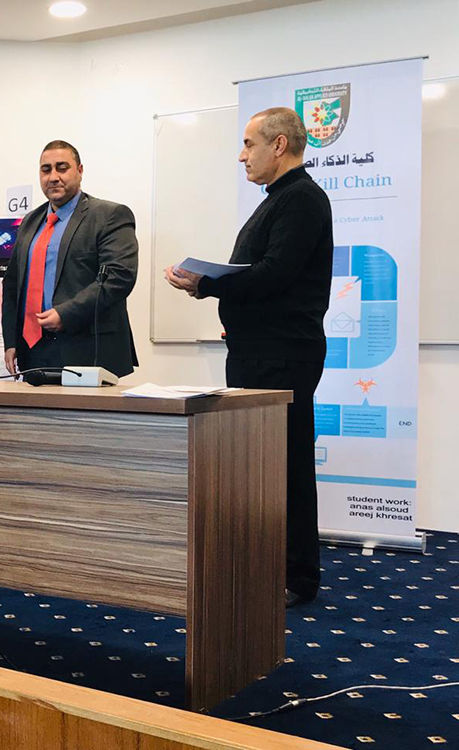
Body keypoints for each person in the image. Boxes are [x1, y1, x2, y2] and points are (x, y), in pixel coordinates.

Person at [164, 107, 333, 607]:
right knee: (261, 466)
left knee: (286, 464)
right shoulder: (280, 198)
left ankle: (297, 576)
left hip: (282, 355)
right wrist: (215, 293)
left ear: (279, 145)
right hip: (261, 351)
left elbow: (275, 274)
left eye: (248, 144)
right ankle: (268, 566)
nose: (242, 156)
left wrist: (207, 284)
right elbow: (265, 277)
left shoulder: (301, 198)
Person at [1, 140, 138, 378]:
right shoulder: (30, 222)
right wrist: (11, 341)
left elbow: (119, 278)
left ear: (80, 171)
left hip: (88, 351)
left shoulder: (110, 216)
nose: (53, 177)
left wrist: (67, 314)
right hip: (33, 352)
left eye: (62, 168)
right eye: (46, 170)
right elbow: (12, 285)